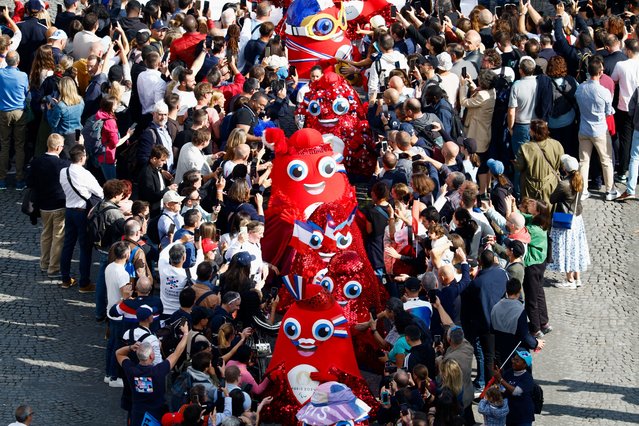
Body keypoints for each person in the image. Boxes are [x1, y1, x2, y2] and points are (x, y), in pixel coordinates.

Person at [116, 320, 190, 426]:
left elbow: (119, 354)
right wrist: (186, 334)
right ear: (152, 356)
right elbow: (177, 353)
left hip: (137, 416)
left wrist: (130, 347)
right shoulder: (159, 371)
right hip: (157, 416)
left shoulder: (131, 371)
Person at [59, 144, 103, 291]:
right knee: (85, 248)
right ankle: (84, 283)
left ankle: (65, 279)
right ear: (83, 157)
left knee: (68, 245)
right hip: (82, 213)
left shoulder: (63, 172)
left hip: (69, 211)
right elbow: (100, 193)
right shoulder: (85, 174)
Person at [575, 59, 619, 201]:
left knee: (583, 161)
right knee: (606, 160)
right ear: (600, 73)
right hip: (599, 130)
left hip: (584, 128)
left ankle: (583, 191)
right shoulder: (603, 91)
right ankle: (609, 190)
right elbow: (608, 111)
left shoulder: (580, 88)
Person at [27, 134, 69, 279]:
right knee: (58, 237)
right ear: (58, 147)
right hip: (59, 205)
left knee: (45, 234)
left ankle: (44, 264)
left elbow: (30, 182)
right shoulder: (63, 165)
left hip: (43, 205)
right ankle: (53, 268)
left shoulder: (36, 162)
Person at [549, 155, 591, 288]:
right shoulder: (580, 179)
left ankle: (569, 280)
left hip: (566, 219)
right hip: (577, 218)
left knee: (566, 248)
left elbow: (552, 199)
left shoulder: (564, 184)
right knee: (576, 247)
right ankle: (577, 278)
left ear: (564, 169)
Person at [105, 241, 133, 387]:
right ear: (127, 254)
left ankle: (108, 373)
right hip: (119, 314)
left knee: (111, 344)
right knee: (117, 345)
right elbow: (125, 296)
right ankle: (115, 377)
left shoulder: (109, 267)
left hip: (110, 309)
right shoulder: (123, 274)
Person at [514, 119, 564, 203]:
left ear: (534, 132)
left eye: (530, 129)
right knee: (549, 211)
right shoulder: (556, 144)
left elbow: (519, 167)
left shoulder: (525, 148)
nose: (529, 130)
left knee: (531, 212)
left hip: (530, 188)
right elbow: (562, 164)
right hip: (551, 185)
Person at [0, 51, 29, 190]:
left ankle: (2, 180)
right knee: (19, 146)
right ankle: (19, 180)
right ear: (18, 61)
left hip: (4, 112)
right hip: (19, 112)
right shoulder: (23, 75)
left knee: (4, 145)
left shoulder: (0, 74)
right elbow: (25, 93)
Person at [94, 96, 135, 180]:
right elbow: (115, 143)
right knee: (111, 183)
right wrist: (128, 135)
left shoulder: (100, 114)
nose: (118, 104)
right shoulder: (110, 122)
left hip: (100, 154)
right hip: (107, 157)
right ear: (111, 107)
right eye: (116, 104)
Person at [492, 350, 536, 426]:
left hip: (523, 417)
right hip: (510, 414)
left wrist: (501, 380)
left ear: (524, 364)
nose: (513, 362)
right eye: (513, 359)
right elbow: (502, 390)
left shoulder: (527, 378)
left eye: (517, 361)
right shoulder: (508, 373)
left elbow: (516, 392)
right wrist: (496, 381)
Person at [46, 76, 84, 155]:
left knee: (67, 158)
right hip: (77, 132)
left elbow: (53, 124)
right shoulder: (81, 100)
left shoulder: (61, 106)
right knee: (76, 154)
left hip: (65, 135)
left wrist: (49, 111)